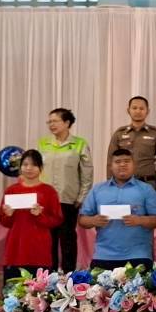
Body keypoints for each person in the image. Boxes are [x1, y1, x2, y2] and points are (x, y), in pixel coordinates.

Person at [79, 148, 156, 269]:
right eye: (118, 162)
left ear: (134, 165)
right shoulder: (98, 190)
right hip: (104, 255)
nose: (122, 165)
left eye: (127, 161)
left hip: (139, 255)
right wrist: (94, 220)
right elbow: (82, 220)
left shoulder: (146, 189)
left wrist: (140, 220)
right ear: (111, 166)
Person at [38, 107, 94, 272]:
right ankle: (48, 276)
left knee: (67, 238)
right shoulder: (43, 143)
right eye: (49, 122)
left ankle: (69, 274)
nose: (51, 125)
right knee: (48, 239)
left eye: (55, 121)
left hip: (68, 199)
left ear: (67, 123)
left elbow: (87, 173)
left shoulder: (79, 144)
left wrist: (81, 197)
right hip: (46, 201)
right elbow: (36, 170)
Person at [0, 149, 63, 282]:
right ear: (20, 167)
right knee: (13, 291)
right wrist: (8, 215)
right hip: (15, 250)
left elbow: (57, 220)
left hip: (39, 251)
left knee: (39, 292)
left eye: (34, 165)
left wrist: (40, 215)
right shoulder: (12, 190)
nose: (29, 168)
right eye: (25, 164)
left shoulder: (48, 191)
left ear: (41, 168)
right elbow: (3, 220)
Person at [107, 96, 156, 199]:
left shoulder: (155, 133)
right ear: (128, 110)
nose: (138, 111)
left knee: (148, 210)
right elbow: (111, 162)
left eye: (141, 108)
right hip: (124, 184)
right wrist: (111, 185)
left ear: (147, 111)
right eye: (134, 108)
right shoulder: (119, 133)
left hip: (148, 184)